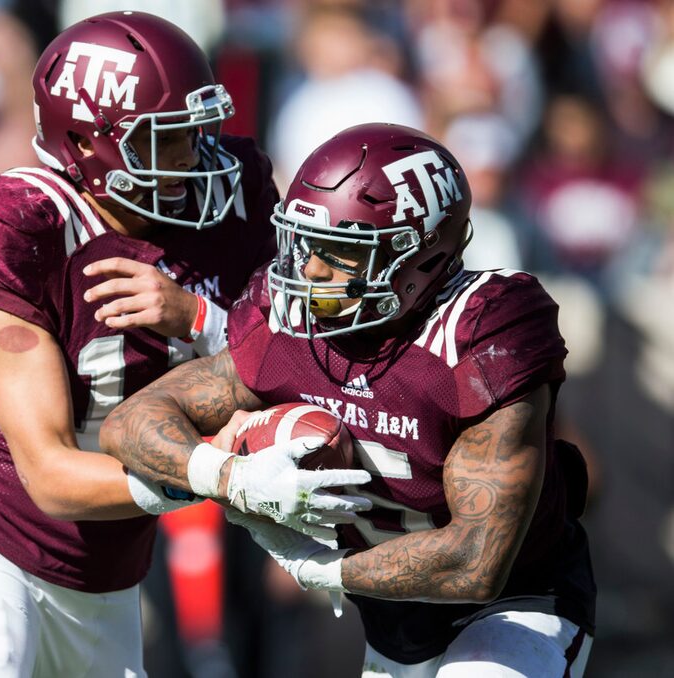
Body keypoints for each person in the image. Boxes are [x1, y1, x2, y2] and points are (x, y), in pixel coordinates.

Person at [0, 12, 369, 677]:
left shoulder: (229, 201)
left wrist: (198, 317)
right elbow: (49, 473)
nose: (198, 157)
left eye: (199, 129)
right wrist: (225, 479)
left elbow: (302, 362)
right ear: (89, 144)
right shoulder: (26, 225)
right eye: (169, 141)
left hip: (105, 578)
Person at [97, 122, 597, 676]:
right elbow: (129, 423)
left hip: (513, 605)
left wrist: (326, 570)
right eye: (308, 245)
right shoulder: (288, 322)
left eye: (340, 252)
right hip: (392, 619)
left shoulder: (479, 332)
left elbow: (476, 563)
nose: (310, 271)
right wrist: (223, 476)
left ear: (420, 258)